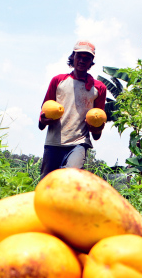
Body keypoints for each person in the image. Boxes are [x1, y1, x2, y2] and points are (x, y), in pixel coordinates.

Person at [38, 40, 107, 179]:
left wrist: (96, 128)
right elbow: (43, 115)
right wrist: (44, 119)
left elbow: (98, 127)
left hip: (79, 143)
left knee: (71, 179)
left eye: (86, 58)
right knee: (47, 185)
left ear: (91, 61)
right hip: (54, 142)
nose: (82, 60)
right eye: (79, 56)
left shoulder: (99, 88)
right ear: (72, 57)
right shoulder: (58, 81)